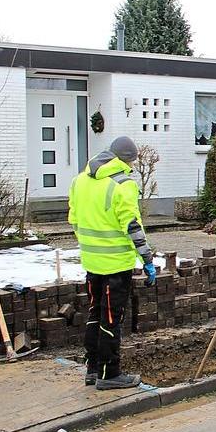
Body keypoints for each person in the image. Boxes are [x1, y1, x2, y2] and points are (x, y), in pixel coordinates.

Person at [68, 136, 156, 390]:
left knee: (95, 314)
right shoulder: (122, 184)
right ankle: (109, 374)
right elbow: (131, 226)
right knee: (111, 320)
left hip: (91, 262)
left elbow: (74, 219)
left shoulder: (79, 181)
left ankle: (92, 369)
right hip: (116, 265)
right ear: (126, 159)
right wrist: (147, 258)